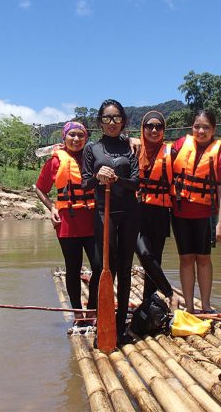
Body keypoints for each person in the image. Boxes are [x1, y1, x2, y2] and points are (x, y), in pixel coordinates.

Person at [82, 99, 140, 345]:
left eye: (117, 118)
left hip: (129, 213)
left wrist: (117, 179)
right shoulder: (91, 149)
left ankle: (120, 325)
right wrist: (97, 176)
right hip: (103, 213)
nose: (112, 122)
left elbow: (137, 182)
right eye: (107, 118)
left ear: (123, 121)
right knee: (103, 267)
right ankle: (99, 322)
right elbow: (85, 182)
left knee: (125, 268)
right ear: (100, 122)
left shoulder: (130, 148)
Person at [35, 122, 100, 325]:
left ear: (86, 138)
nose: (76, 139)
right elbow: (39, 188)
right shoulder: (55, 162)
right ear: (64, 137)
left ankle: (92, 308)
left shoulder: (94, 159)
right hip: (67, 222)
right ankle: (77, 312)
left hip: (92, 220)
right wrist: (52, 207)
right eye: (72, 135)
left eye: (80, 135)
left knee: (99, 266)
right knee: (73, 268)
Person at [170, 110, 221, 314]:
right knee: (186, 259)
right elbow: (156, 151)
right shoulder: (180, 145)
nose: (201, 130)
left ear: (214, 130)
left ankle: (205, 305)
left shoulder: (220, 156)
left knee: (203, 259)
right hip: (180, 214)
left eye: (206, 127)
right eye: (197, 126)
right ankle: (189, 307)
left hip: (205, 216)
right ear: (191, 128)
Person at [135, 111, 180, 310]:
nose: (154, 130)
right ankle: (170, 294)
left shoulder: (172, 152)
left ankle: (148, 303)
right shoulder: (133, 150)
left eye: (159, 126)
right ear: (143, 128)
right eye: (150, 126)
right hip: (137, 211)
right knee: (144, 254)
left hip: (161, 212)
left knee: (155, 259)